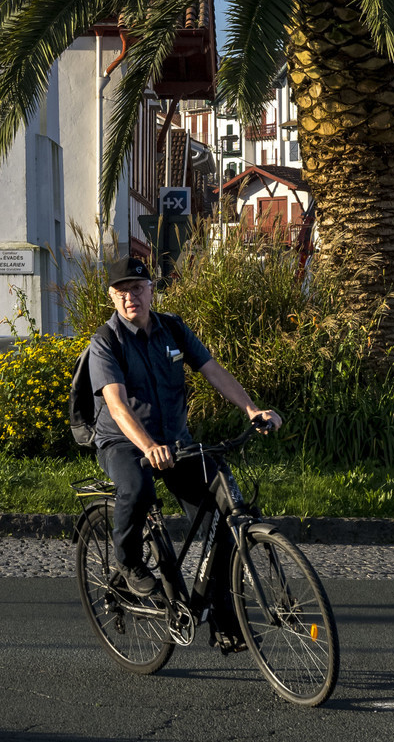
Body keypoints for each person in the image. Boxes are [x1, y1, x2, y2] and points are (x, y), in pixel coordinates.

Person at [87, 255, 281, 642]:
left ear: (151, 291)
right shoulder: (105, 341)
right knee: (137, 489)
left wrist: (252, 410)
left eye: (137, 288)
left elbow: (212, 369)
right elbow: (116, 405)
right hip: (124, 441)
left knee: (221, 518)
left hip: (175, 442)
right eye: (121, 291)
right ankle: (129, 563)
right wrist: (148, 445)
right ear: (111, 296)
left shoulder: (173, 329)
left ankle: (223, 621)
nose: (130, 297)